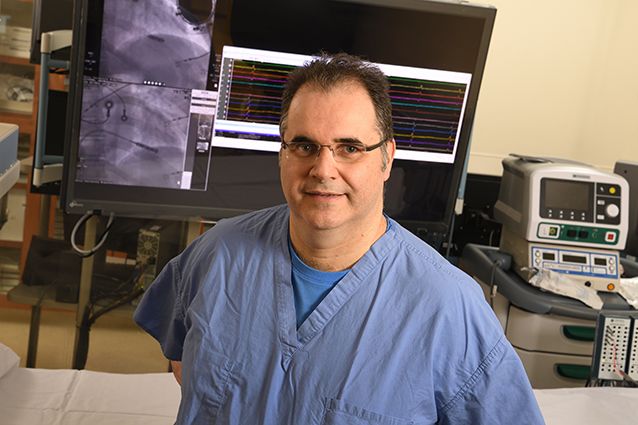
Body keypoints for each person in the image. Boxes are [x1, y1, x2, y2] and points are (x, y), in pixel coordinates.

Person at [134, 52, 545, 424]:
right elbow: (181, 360)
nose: (323, 169)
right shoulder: (217, 254)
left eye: (349, 148)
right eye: (305, 145)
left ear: (387, 159)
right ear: (283, 153)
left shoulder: (448, 307)